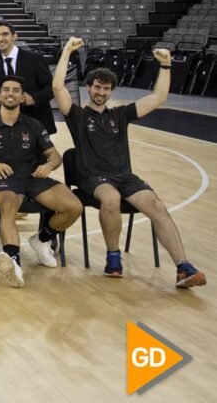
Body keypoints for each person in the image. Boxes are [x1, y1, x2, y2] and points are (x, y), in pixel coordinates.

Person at [52, 37, 206, 288]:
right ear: (88, 88)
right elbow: (58, 87)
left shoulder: (120, 115)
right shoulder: (77, 115)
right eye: (97, 87)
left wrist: (166, 66)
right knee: (110, 197)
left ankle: (183, 267)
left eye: (106, 89)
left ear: (111, 91)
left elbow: (158, 98)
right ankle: (114, 258)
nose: (101, 93)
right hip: (92, 177)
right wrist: (67, 51)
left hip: (124, 176)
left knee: (156, 204)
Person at [0, 75, 83, 288]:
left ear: (22, 97)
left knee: (74, 206)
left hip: (33, 178)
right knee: (8, 207)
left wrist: (48, 166)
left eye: (15, 90)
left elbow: (55, 156)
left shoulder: (34, 125)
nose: (10, 93)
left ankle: (43, 238)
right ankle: (14, 263)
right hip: (4, 181)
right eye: (6, 89)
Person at [0, 21, 56, 134]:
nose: (0, 38)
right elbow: (2, 97)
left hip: (38, 124)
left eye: (5, 34)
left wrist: (34, 98)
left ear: (14, 36)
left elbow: (51, 88)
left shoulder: (35, 59)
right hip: (11, 127)